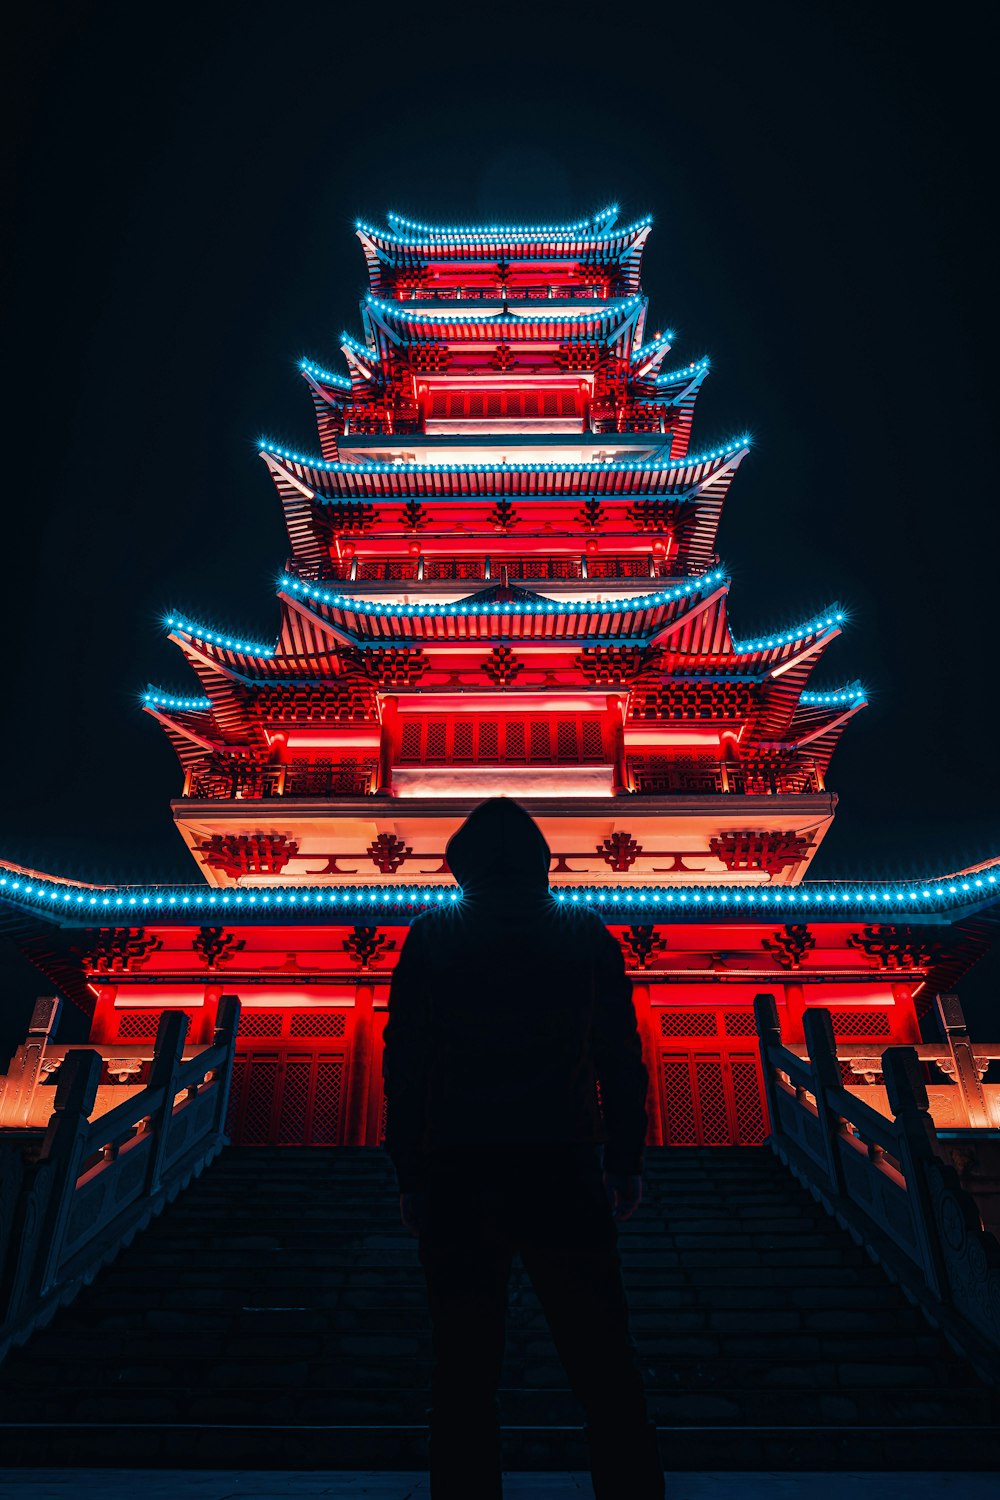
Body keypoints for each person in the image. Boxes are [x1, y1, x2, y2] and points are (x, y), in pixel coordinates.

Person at [382, 796, 664, 1499]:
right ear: (543, 863)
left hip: (457, 1164)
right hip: (562, 1161)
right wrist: (625, 1158)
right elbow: (620, 1057)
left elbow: (404, 1063)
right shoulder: (585, 933)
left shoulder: (431, 935)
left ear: (459, 865)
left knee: (463, 1367)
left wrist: (408, 1172)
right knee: (602, 1357)